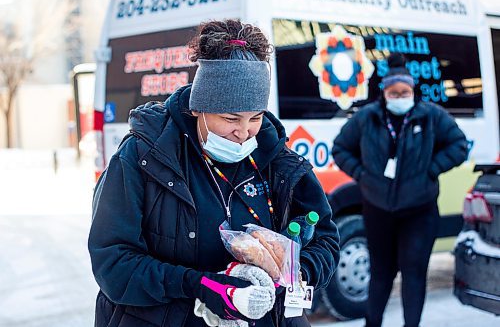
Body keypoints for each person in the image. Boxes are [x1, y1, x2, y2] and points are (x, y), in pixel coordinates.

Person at [89, 19, 340, 327]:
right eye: (230, 118)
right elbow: (113, 263)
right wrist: (199, 285)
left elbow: (326, 240)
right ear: (199, 109)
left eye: (256, 117)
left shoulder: (280, 163)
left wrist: (297, 272)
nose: (244, 132)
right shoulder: (143, 158)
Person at [331, 53, 468, 327]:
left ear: (412, 91)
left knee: (414, 272)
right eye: (394, 92)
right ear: (385, 92)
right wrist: (362, 175)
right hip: (377, 208)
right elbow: (340, 148)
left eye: (405, 92)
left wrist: (431, 170)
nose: (400, 97)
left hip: (420, 210)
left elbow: (459, 146)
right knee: (380, 273)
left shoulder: (430, 116)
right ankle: (372, 323)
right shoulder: (367, 118)